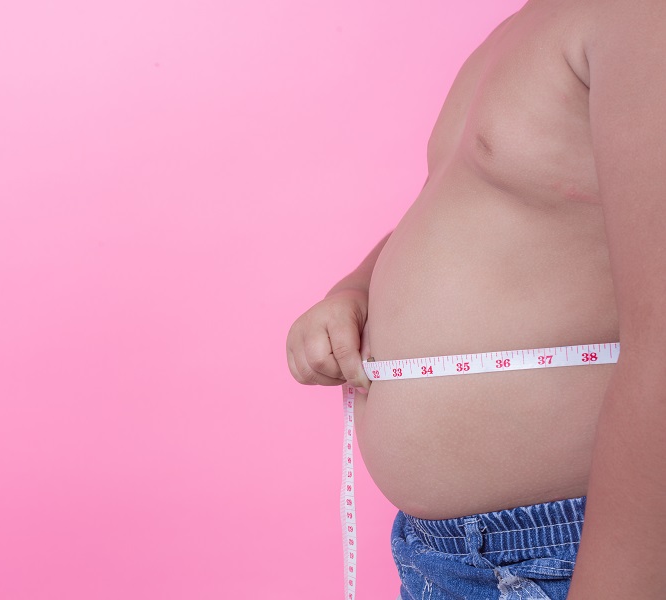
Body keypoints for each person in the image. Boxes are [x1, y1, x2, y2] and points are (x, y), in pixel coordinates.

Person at [285, 0, 666, 598]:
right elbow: (464, 212)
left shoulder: (641, 19)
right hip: (437, 554)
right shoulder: (514, 31)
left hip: (572, 554)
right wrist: (357, 288)